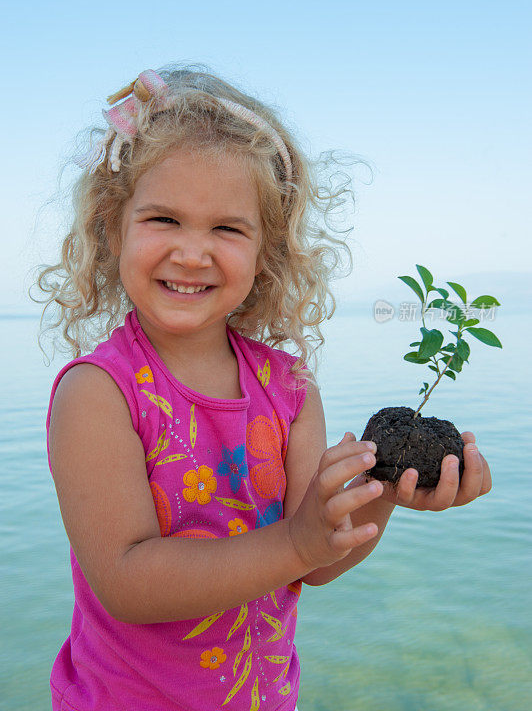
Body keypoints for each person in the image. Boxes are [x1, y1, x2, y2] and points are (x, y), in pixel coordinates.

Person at [37, 65, 491, 711]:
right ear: (114, 229)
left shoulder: (289, 390)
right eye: (164, 218)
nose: (193, 253)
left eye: (226, 229)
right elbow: (126, 580)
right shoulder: (98, 394)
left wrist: (384, 491)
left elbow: (316, 560)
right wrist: (293, 541)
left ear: (265, 251)